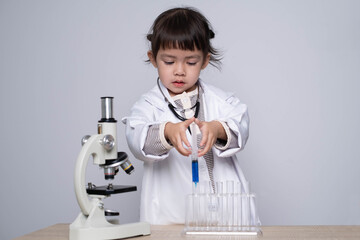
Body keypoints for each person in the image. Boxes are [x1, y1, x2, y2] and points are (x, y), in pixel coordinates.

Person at [122, 7, 252, 225]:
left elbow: (241, 126)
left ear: (205, 61)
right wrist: (167, 132)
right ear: (153, 59)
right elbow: (137, 140)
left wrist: (217, 129)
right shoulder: (148, 105)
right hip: (171, 216)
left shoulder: (221, 101)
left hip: (226, 216)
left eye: (191, 62)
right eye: (169, 62)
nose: (179, 71)